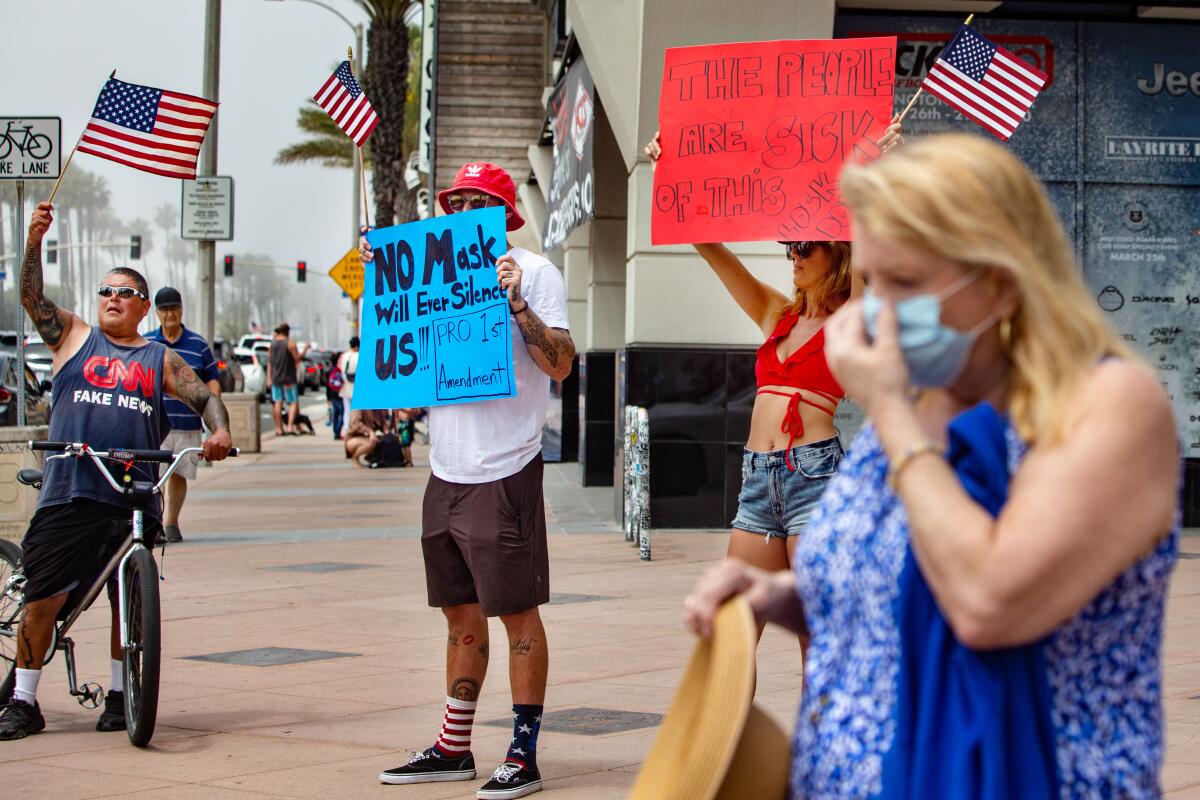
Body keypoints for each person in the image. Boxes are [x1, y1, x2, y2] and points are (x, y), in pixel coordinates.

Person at [685, 134, 1179, 798]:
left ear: (1002, 284)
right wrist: (788, 598)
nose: (877, 308)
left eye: (905, 283)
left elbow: (986, 601)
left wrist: (890, 410)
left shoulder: (1106, 404)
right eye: (875, 280)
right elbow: (906, 580)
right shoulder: (923, 399)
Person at [360, 162, 574, 798]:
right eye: (456, 202)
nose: (463, 212)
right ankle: (454, 746)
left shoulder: (534, 272)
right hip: (445, 472)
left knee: (516, 612)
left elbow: (561, 364)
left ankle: (524, 755)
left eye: (479, 202)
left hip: (504, 467)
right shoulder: (439, 271)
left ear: (505, 215)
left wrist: (517, 305)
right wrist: (384, 277)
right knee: (459, 613)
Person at [643, 121, 900, 639]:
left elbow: (877, 252)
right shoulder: (776, 313)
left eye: (806, 246)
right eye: (790, 248)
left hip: (815, 476)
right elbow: (714, 251)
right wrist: (668, 174)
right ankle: (733, 725)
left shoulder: (853, 316)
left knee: (817, 633)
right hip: (758, 478)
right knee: (733, 629)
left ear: (838, 251)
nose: (794, 256)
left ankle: (820, 723)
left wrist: (881, 175)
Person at [1, 202, 234, 740]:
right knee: (43, 598)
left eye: (123, 293)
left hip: (132, 491)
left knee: (126, 603)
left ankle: (117, 694)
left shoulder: (159, 359)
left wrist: (219, 432)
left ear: (143, 307)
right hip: (71, 487)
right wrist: (34, 241)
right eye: (106, 291)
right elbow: (31, 297)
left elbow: (206, 399)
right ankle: (24, 699)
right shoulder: (74, 337)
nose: (111, 299)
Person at [146, 286, 222, 543]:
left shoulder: (198, 344)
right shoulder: (146, 343)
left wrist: (213, 419)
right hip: (154, 424)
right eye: (165, 309)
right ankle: (153, 523)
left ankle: (171, 523)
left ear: (181, 309)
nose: (170, 314)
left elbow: (212, 380)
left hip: (188, 423)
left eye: (174, 308)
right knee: (152, 475)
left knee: (178, 474)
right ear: (156, 313)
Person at [266, 323, 306, 436]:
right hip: (289, 378)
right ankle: (289, 427)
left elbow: (270, 362)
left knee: (277, 402)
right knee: (292, 403)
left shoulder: (272, 344)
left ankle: (279, 429)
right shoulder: (290, 343)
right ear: (288, 332)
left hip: (276, 379)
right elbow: (297, 359)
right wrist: (305, 350)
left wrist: (268, 378)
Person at [336, 337, 359, 439]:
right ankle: (355, 429)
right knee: (357, 411)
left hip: (346, 385)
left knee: (347, 410)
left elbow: (340, 370)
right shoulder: (360, 356)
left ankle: (345, 430)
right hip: (356, 386)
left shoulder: (344, 356)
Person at [326, 350, 345, 440]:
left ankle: (336, 432)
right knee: (342, 413)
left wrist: (328, 397)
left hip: (333, 394)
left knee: (336, 413)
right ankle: (337, 432)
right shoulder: (341, 370)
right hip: (340, 394)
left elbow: (328, 385)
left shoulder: (331, 370)